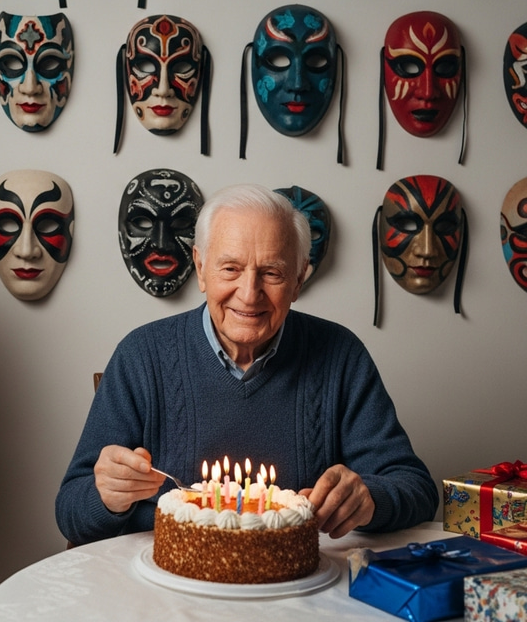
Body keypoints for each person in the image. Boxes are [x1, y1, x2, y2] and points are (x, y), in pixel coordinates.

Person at [56, 183, 438, 546]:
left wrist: (370, 498)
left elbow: (416, 488)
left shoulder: (340, 355)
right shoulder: (142, 355)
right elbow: (70, 510)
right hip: (165, 591)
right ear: (200, 268)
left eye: (271, 273)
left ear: (299, 279)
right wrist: (107, 496)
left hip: (294, 595)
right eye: (230, 269)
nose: (249, 294)